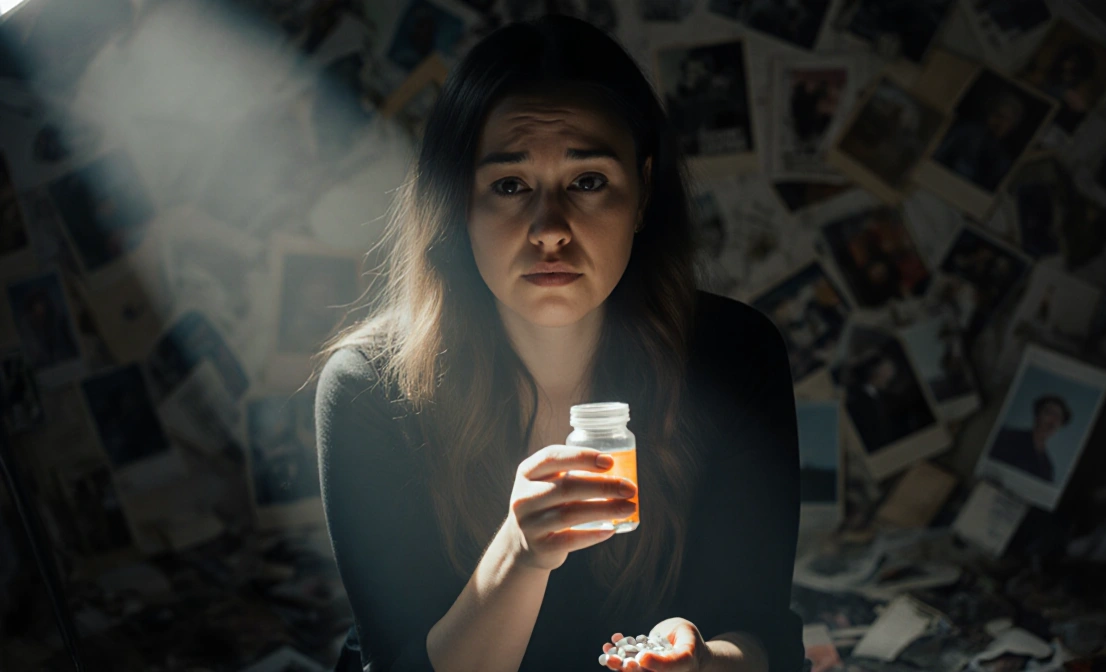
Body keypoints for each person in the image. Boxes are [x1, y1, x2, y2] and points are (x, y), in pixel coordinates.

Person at [313, 15, 806, 672]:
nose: (551, 230)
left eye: (588, 182)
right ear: (459, 204)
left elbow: (758, 629)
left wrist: (699, 664)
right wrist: (519, 553)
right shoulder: (370, 388)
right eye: (510, 186)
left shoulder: (733, 355)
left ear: (643, 190)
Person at [933, 89, 1027, 191]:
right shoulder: (965, 132)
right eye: (998, 116)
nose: (1000, 124)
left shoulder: (1003, 161)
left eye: (1007, 120)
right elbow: (938, 155)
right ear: (989, 114)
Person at [990, 394, 1071, 483]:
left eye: (1058, 417)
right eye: (1049, 413)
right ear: (1037, 414)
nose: (1053, 421)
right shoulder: (1007, 437)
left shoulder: (1047, 467)